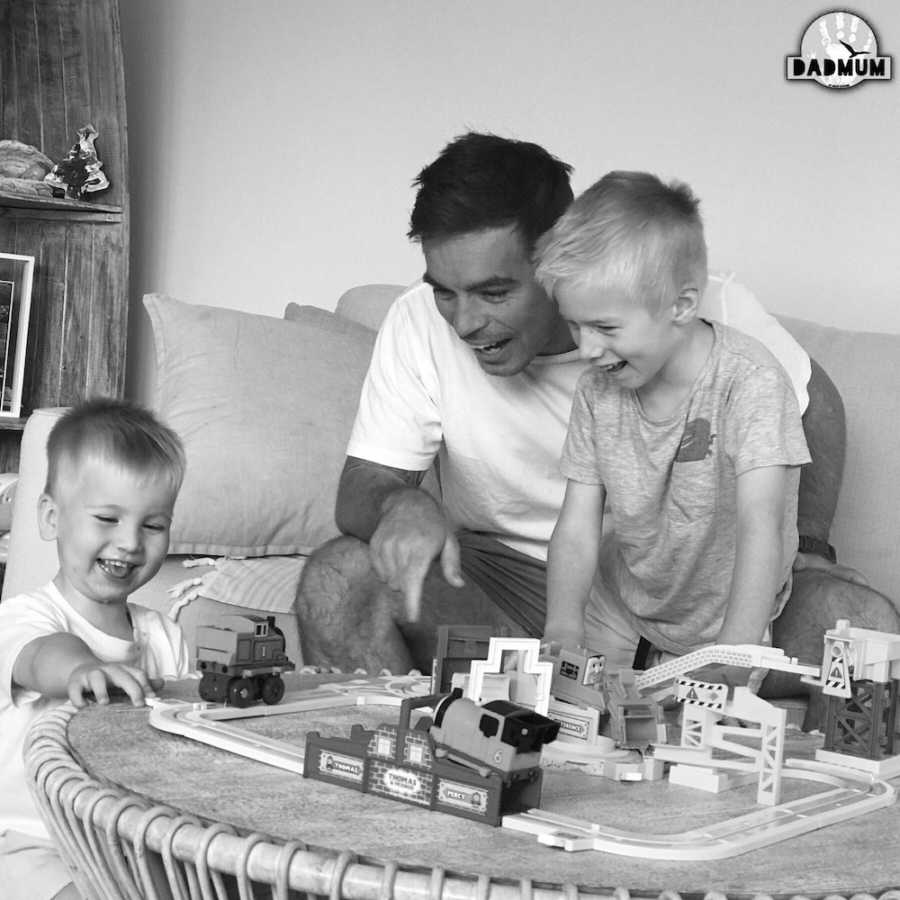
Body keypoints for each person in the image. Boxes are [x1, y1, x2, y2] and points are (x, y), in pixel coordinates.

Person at [295, 133, 899, 720]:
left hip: (715, 591)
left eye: (495, 291)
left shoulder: (706, 320)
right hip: (536, 592)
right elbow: (373, 484)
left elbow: (811, 401)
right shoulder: (557, 372)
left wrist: (811, 549)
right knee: (338, 579)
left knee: (863, 626)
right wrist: (401, 503)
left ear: (558, 255)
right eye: (446, 294)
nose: (466, 322)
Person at [535, 170, 809, 679]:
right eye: (575, 324)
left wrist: (733, 653)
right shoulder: (597, 389)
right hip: (622, 608)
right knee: (580, 729)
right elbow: (577, 525)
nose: (587, 348)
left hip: (725, 623)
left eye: (606, 327)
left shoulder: (751, 382)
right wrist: (562, 627)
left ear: (681, 306)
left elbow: (760, 524)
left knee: (706, 739)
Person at [0, 398, 192, 900]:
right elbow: (42, 656)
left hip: (129, 841)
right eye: (107, 518)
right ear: (50, 518)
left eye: (153, 525)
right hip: (32, 842)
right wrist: (84, 668)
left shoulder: (165, 637)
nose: (130, 542)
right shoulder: (24, 617)